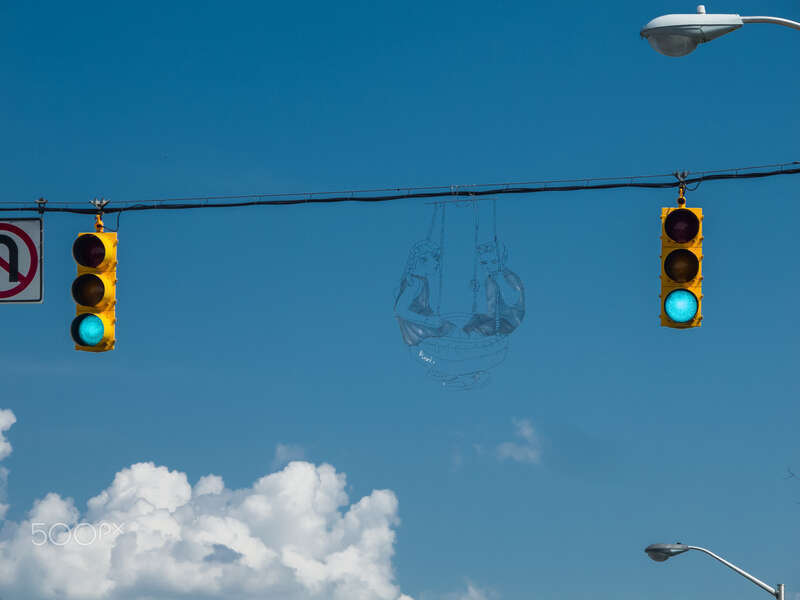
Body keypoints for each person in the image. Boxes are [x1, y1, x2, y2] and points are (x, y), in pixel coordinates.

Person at [394, 240, 456, 346]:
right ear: (422, 260)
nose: (438, 263)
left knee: (450, 327)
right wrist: (427, 320)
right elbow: (399, 309)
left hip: (420, 322)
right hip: (414, 327)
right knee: (451, 331)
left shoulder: (422, 280)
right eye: (435, 259)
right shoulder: (414, 282)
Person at [462, 240, 525, 336]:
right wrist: (477, 288)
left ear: (502, 260)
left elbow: (512, 298)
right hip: (493, 315)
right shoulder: (490, 277)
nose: (489, 266)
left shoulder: (509, 277)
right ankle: (468, 331)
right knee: (476, 318)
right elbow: (488, 297)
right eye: (484, 263)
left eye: (494, 262)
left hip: (509, 319)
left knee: (489, 327)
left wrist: (500, 282)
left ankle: (480, 333)